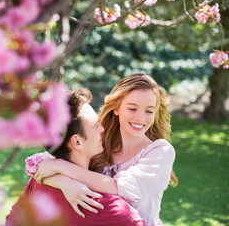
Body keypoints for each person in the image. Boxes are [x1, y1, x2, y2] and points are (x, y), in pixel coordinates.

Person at [33, 73, 178, 226]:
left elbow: (118, 188)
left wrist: (60, 167)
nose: (140, 118)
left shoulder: (160, 152)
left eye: (149, 111)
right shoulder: (99, 143)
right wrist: (64, 183)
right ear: (116, 108)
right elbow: (37, 165)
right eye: (132, 108)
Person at [6, 88, 146, 226]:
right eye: (96, 125)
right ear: (77, 142)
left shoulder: (38, 183)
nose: (102, 129)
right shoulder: (109, 208)